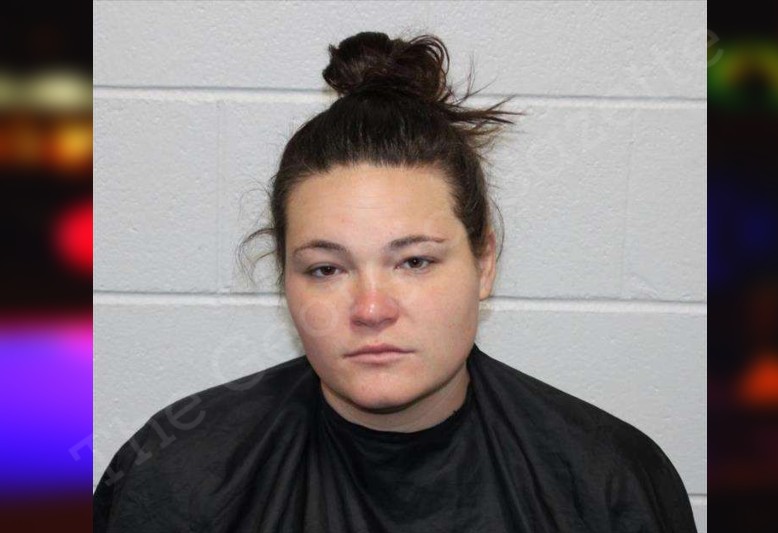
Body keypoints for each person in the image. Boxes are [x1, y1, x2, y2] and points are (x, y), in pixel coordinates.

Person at [94, 32, 697, 532]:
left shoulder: (606, 483)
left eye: (414, 262)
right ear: (286, 279)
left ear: (484, 262)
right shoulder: (177, 476)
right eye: (326, 269)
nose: (371, 309)